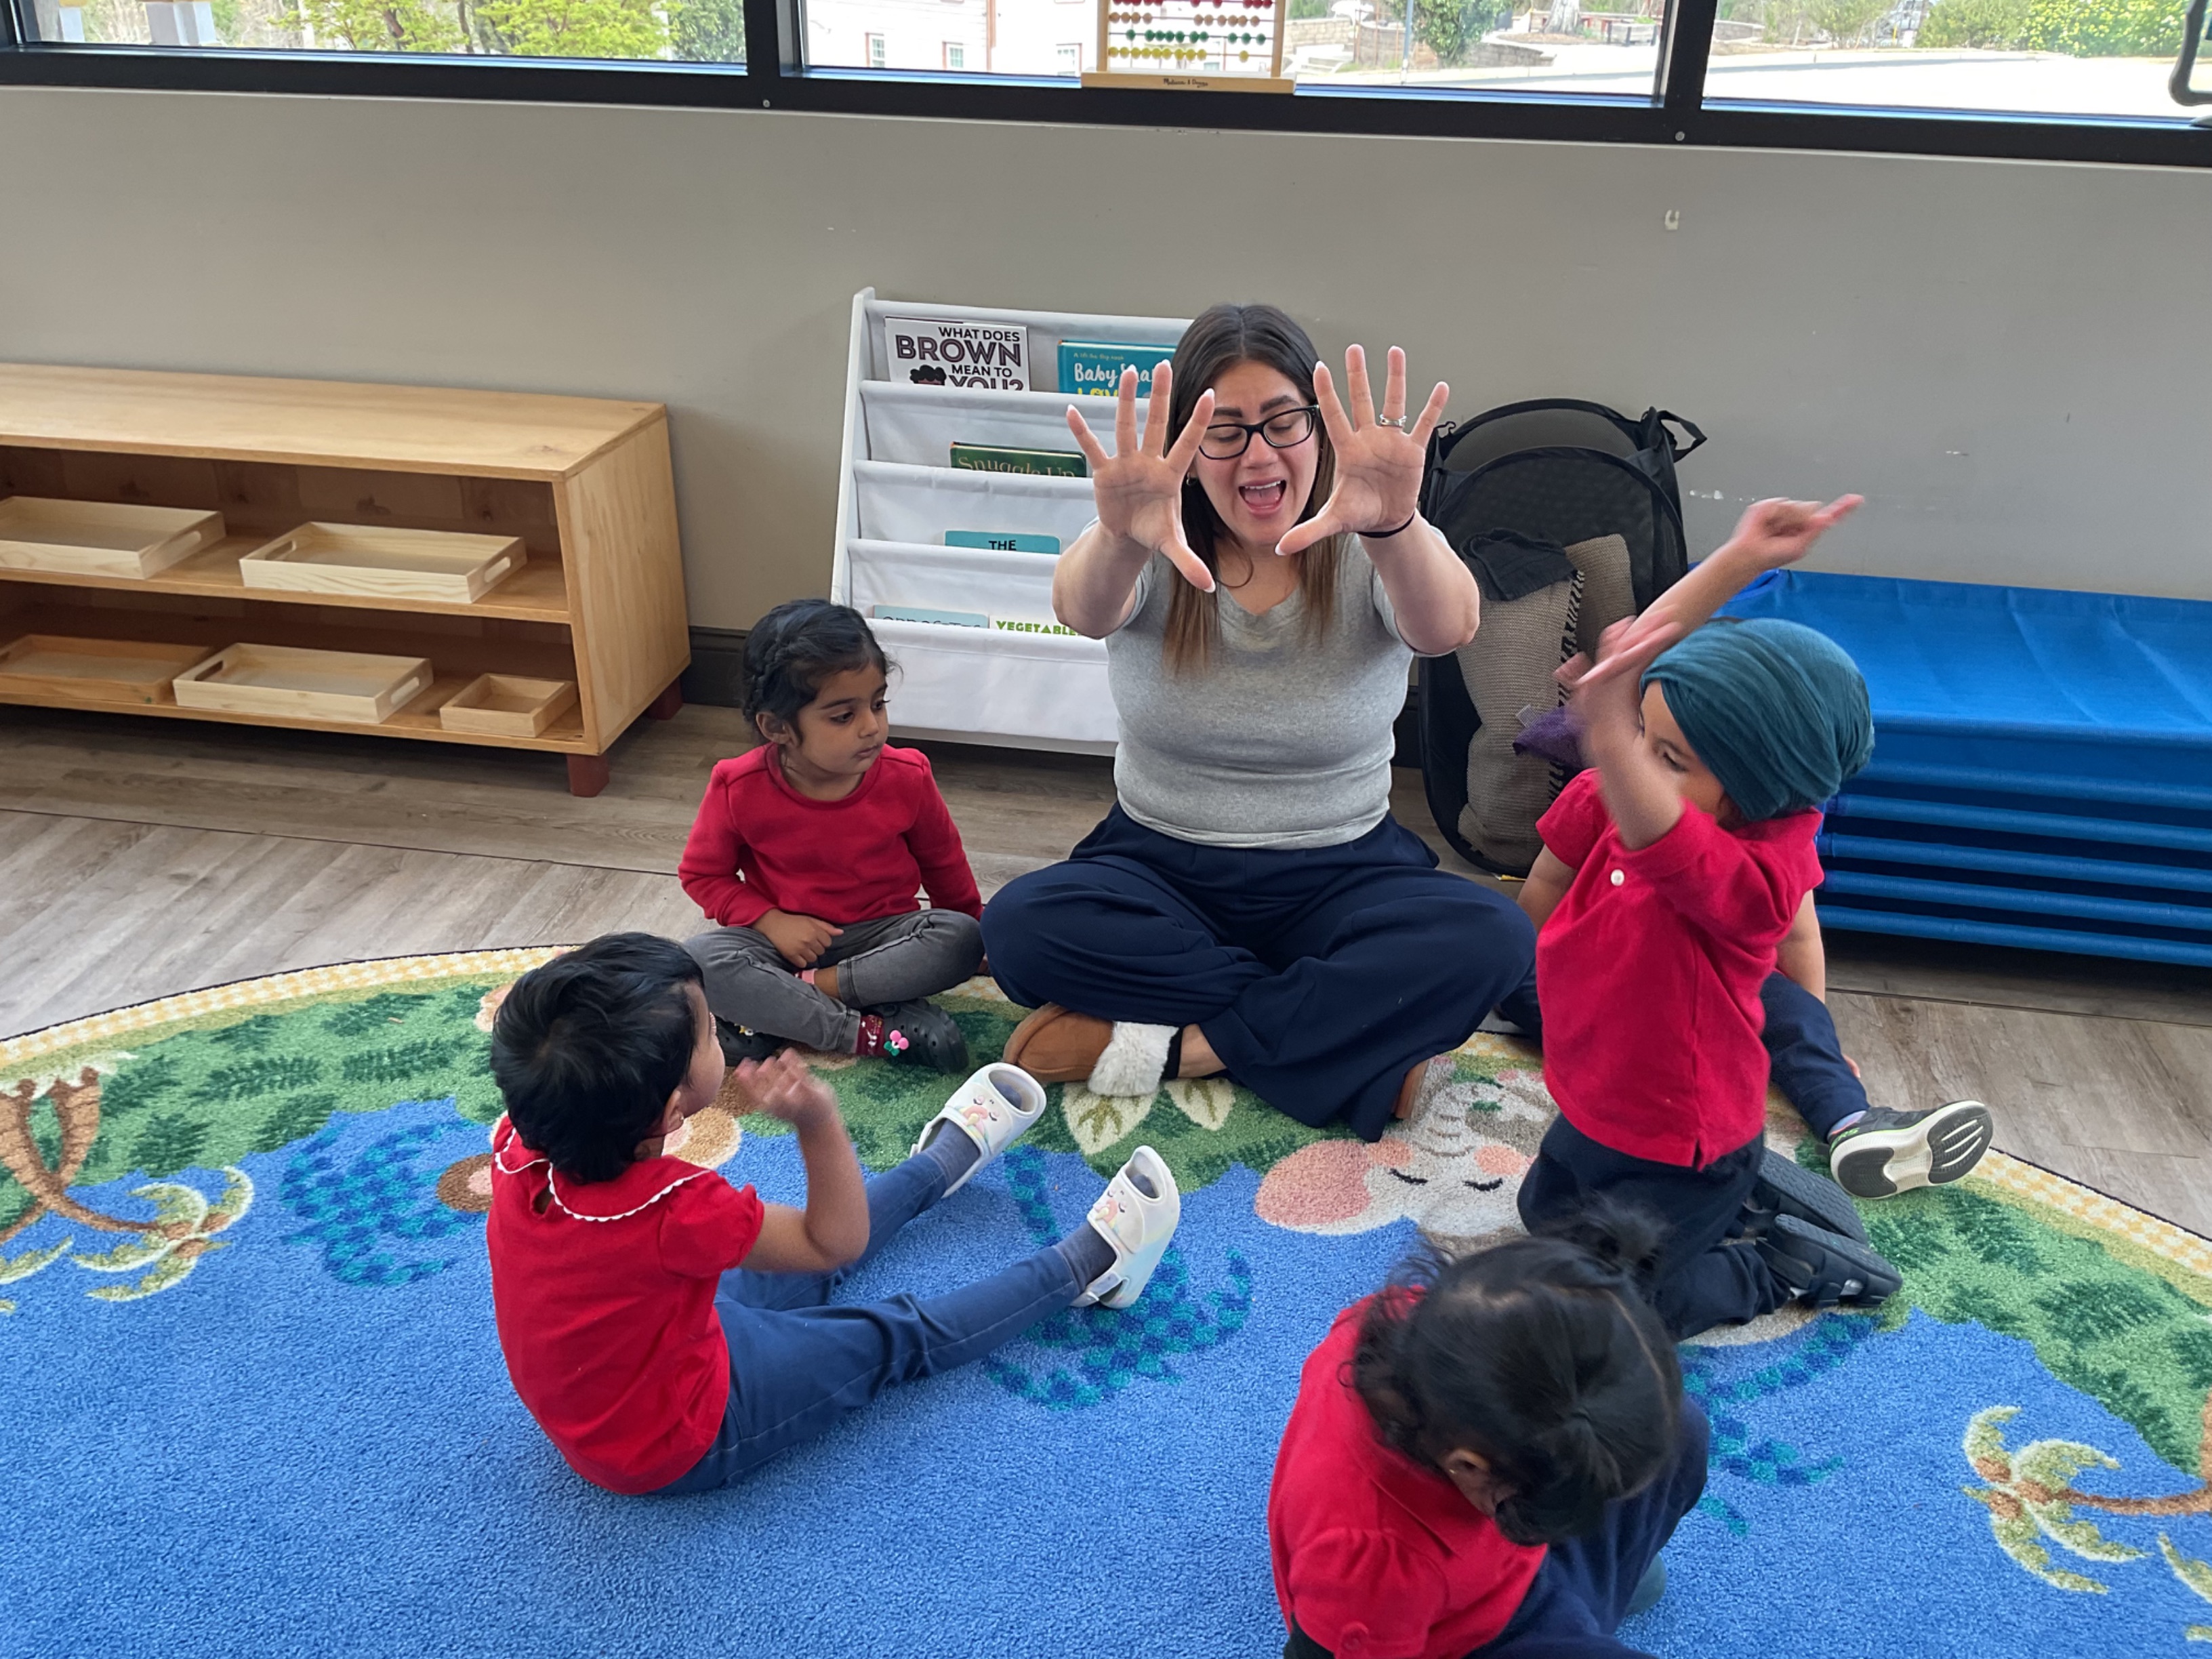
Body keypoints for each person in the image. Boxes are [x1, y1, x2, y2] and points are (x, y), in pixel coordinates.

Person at [982, 303, 1535, 1141]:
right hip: (1160, 869)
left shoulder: (1370, 542)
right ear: (1187, 447)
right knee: (1020, 930)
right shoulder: (1153, 540)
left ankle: (1186, 1047)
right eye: (1225, 430)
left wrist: (1396, 523)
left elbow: (1449, 626)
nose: (1259, 454)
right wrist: (1118, 534)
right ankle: (1345, 1035)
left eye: (1282, 422)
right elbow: (1082, 608)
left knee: (1493, 937)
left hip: (1342, 870)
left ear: (1320, 427)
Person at [483, 931, 1183, 1494]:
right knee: (895, 1334)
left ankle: (935, 1167)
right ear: (671, 1111)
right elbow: (833, 1243)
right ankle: (1092, 1266)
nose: (721, 1037)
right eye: (707, 1033)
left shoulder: (518, 1143)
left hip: (651, 1350)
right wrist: (818, 1122)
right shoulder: (677, 1210)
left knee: (788, 1256)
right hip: (677, 1435)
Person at [1509, 498, 1908, 1339]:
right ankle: (1752, 1196)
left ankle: (1770, 1265)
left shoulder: (1756, 870)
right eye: (1643, 735)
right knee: (1540, 1215)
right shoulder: (1615, 796)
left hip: (1681, 1140)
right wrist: (1739, 559)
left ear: (1757, 789)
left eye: (1667, 758)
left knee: (1608, 1317)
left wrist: (1611, 729)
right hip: (1594, 1096)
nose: (1634, 763)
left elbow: (1674, 840)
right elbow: (1636, 660)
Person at [1268, 1212, 1709, 1659]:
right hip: (1468, 1628)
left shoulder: (1436, 1328)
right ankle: (1601, 1577)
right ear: (1469, 1467)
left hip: (1491, 1550)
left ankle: (1608, 1572)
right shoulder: (1378, 1566)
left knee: (1682, 1431)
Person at [679, 599, 984, 1074]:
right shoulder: (737, 786)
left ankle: (793, 1006)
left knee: (960, 936)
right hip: (782, 945)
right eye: (843, 716)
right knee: (699, 960)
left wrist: (975, 935)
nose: (872, 726)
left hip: (885, 937)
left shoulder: (908, 776)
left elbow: (943, 863)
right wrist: (770, 920)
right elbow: (703, 876)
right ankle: (867, 1030)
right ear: (777, 728)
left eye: (878, 703)